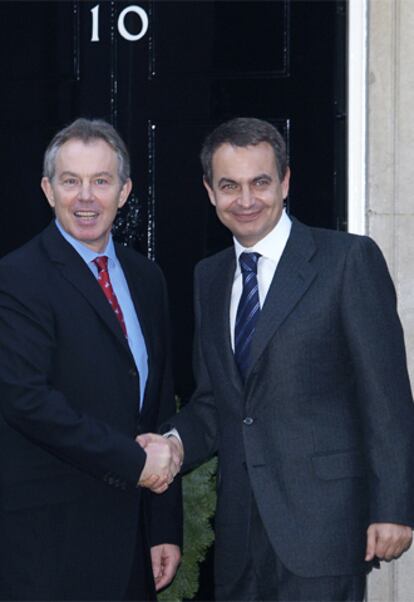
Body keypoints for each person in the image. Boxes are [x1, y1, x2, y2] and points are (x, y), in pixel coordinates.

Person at [150, 117, 414, 601]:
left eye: (261, 183)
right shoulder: (208, 278)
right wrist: (172, 444)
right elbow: (216, 401)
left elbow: (387, 396)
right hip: (239, 538)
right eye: (229, 185)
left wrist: (394, 505)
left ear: (286, 182)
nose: (246, 200)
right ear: (210, 191)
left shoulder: (347, 261)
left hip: (325, 533)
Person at [0, 118, 182, 601]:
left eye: (101, 181)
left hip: (131, 550)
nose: (86, 197)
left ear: (124, 191)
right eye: (70, 181)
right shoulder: (17, 278)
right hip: (48, 552)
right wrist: (135, 462)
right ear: (47, 189)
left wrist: (164, 525)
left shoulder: (148, 279)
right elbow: (27, 401)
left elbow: (159, 404)